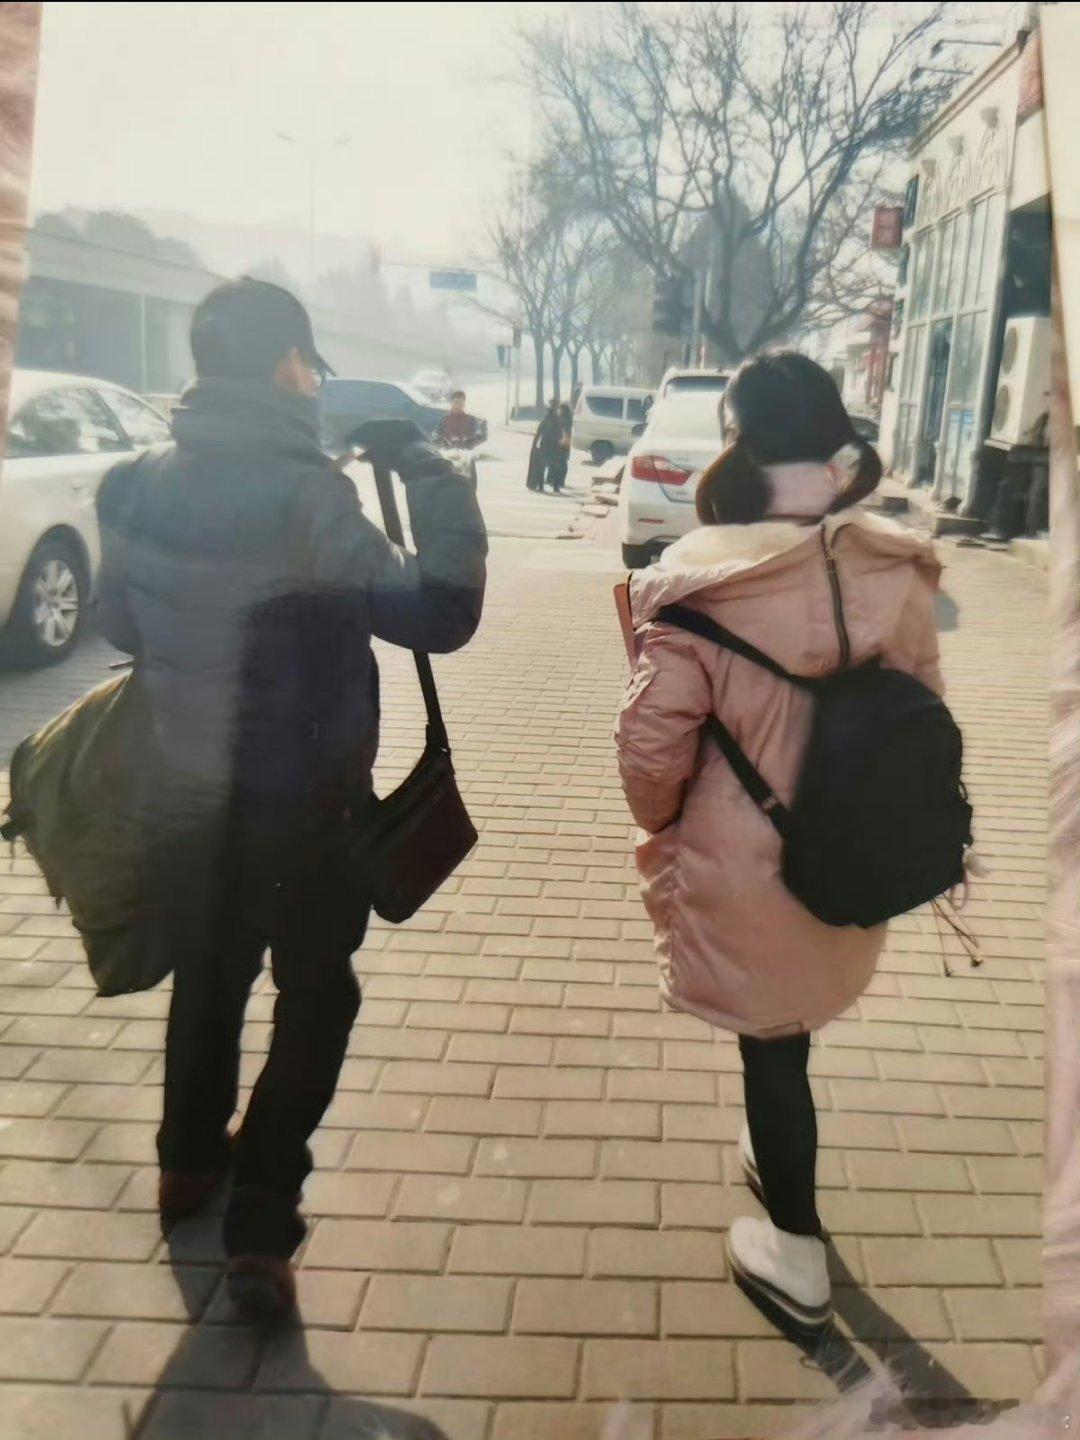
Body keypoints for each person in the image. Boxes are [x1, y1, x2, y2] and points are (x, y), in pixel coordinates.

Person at [94, 277, 487, 1320]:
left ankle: (186, 1166)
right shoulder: (309, 497)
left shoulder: (132, 481)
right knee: (316, 994)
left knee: (208, 975)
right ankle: (262, 1223)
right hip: (307, 808)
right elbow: (440, 611)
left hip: (183, 790)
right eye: (310, 364)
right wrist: (430, 470)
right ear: (287, 366)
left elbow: (120, 625)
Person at [614, 351, 942, 1338]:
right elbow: (925, 706)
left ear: (739, 443)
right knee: (788, 1028)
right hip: (859, 843)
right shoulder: (890, 567)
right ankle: (778, 1159)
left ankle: (795, 1253)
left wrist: (661, 822)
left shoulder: (698, 583)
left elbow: (651, 748)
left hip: (747, 856)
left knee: (771, 1048)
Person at [527, 397, 565, 492]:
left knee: (542, 466)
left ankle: (541, 486)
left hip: (545, 444)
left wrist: (534, 444)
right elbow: (560, 434)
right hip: (554, 445)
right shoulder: (558, 419)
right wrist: (561, 444)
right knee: (554, 467)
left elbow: (539, 432)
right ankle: (555, 487)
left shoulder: (546, 419)